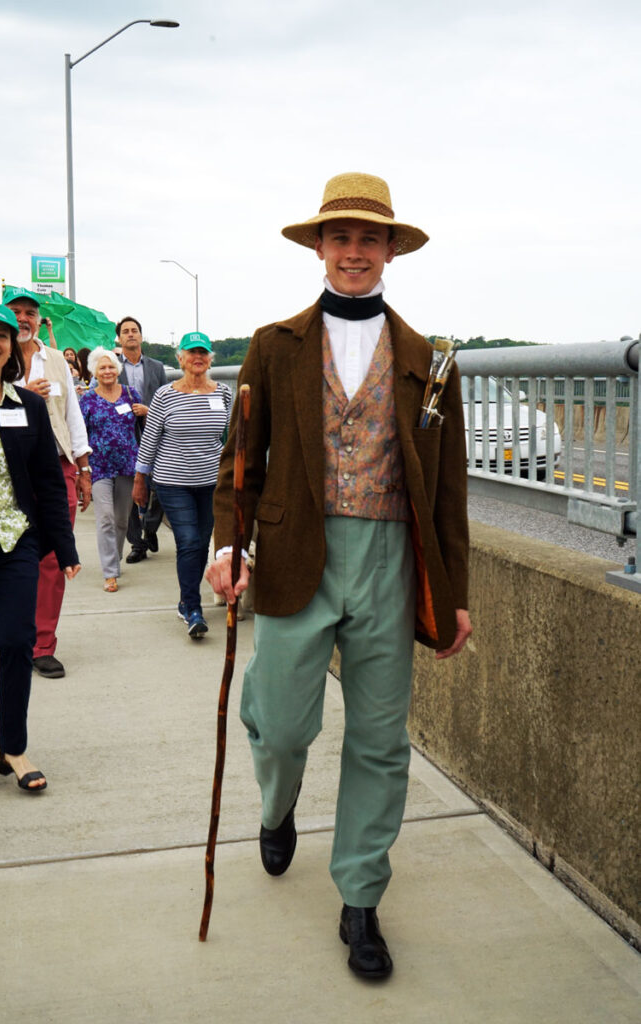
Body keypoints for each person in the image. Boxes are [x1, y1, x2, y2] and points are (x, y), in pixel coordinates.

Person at [206, 173, 472, 980]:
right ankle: (277, 805)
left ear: (390, 249)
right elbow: (239, 461)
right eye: (340, 237)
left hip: (393, 559)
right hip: (295, 556)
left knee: (380, 741)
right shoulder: (273, 344)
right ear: (319, 248)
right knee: (282, 725)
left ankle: (360, 895)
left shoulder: (429, 360)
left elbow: (450, 490)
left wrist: (453, 594)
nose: (354, 251)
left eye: (370, 238)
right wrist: (227, 544)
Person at [0, 302, 80, 795]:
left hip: (16, 544)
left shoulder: (27, 406)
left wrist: (66, 547)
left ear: (12, 347)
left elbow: (49, 483)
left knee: (15, 642)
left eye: (2, 335)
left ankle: (14, 746)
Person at [0, 287, 92, 679]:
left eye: (31, 312)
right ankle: (9, 619)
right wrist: (22, 395)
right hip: (4, 472)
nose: (24, 319)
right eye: (16, 312)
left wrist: (83, 470)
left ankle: (42, 642)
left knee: (51, 559)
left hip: (56, 467)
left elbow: (72, 416)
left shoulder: (55, 361)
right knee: (3, 553)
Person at [134, 332, 232, 638]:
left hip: (211, 483)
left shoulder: (224, 394)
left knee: (202, 542)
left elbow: (231, 438)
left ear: (210, 359)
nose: (197, 357)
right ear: (181, 358)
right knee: (189, 541)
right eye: (191, 352)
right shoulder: (165, 395)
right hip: (172, 481)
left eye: (203, 352)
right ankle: (193, 608)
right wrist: (141, 479)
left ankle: (184, 599)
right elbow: (150, 439)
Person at [79, 348, 139, 591]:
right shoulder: (87, 399)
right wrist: (80, 468)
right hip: (99, 466)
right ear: (94, 371)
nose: (107, 371)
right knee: (105, 518)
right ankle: (110, 572)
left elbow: (146, 423)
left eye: (111, 366)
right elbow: (80, 433)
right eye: (102, 367)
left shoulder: (131, 394)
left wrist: (145, 410)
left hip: (127, 464)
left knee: (122, 520)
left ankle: (113, 559)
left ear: (118, 369)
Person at [116, 316, 167, 563]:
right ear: (119, 338)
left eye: (134, 330)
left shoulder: (157, 367)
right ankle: (137, 544)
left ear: (141, 336)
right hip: (124, 436)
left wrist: (150, 411)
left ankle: (151, 527)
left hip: (154, 432)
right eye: (125, 331)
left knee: (161, 486)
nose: (130, 334)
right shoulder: (111, 366)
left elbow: (168, 400)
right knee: (128, 489)